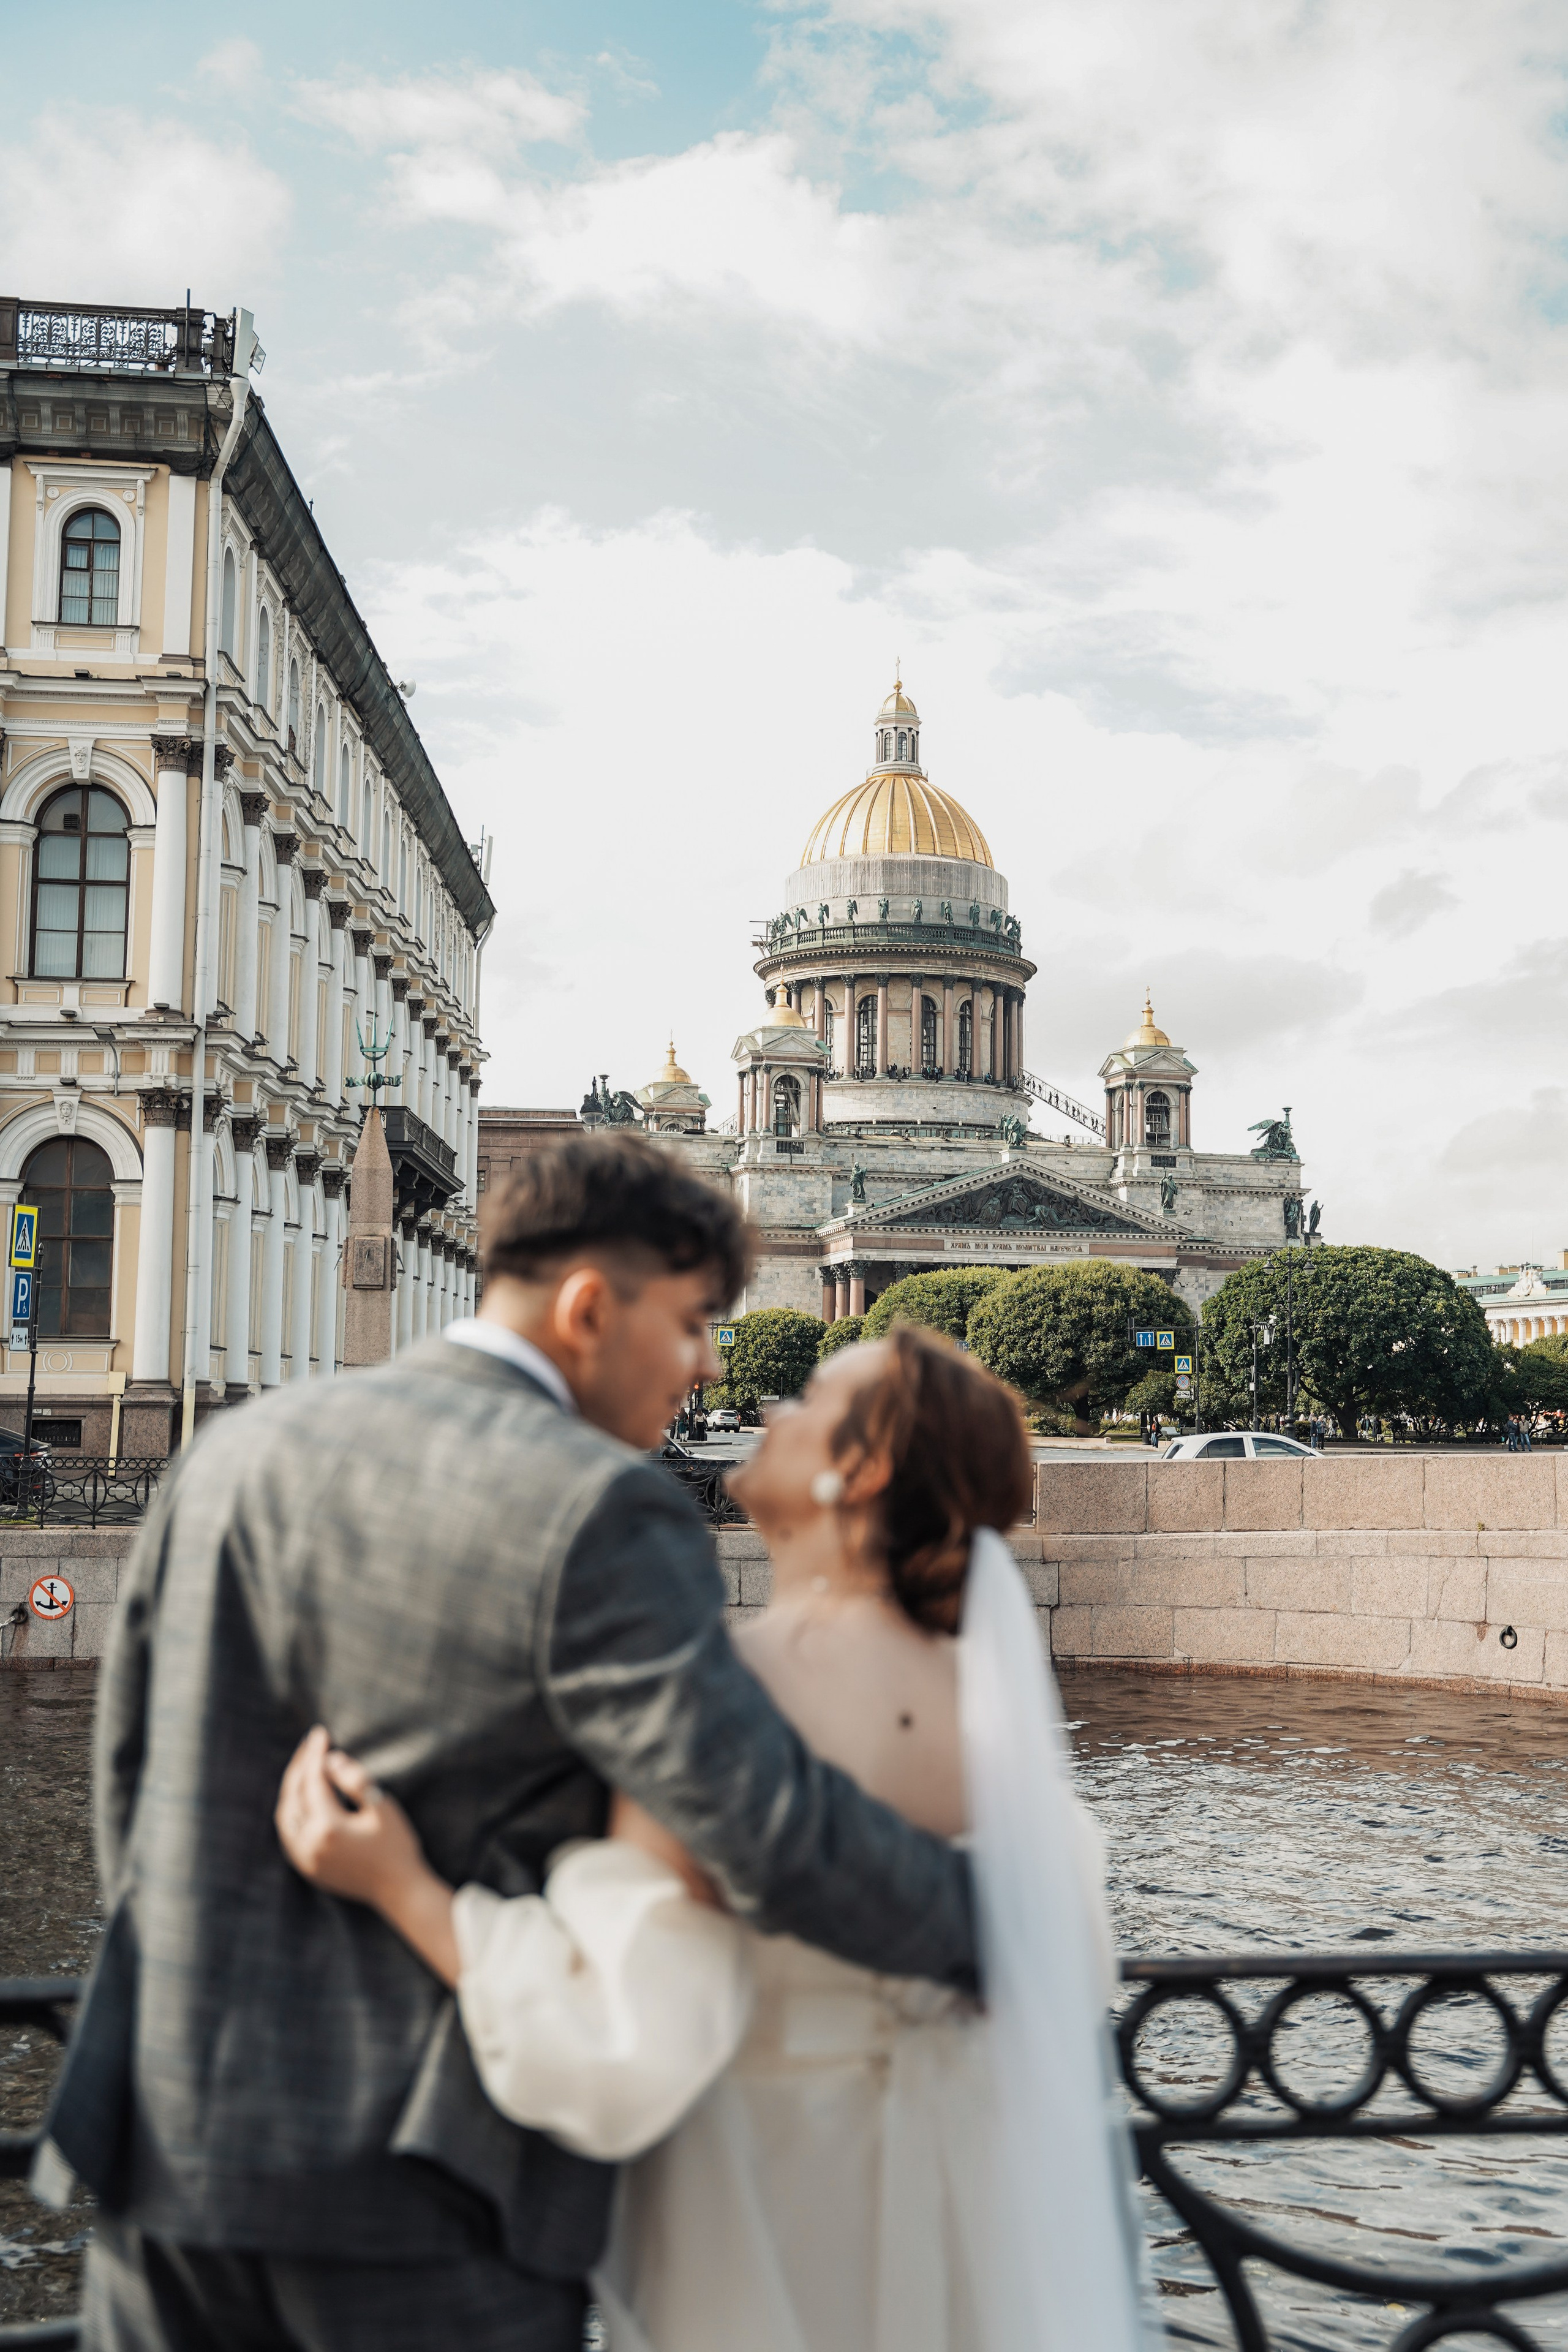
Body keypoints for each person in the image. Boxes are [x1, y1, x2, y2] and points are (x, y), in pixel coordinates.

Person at [43, 1135, 978, 2352]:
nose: (704, 1365)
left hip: (162, 2162)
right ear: (590, 1306)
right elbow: (760, 1820)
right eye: (694, 1321)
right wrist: (990, 1923)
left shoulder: (234, 1451)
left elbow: (135, 1787)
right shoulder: (597, 1502)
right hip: (420, 2202)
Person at [277, 1328, 1151, 2351]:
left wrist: (400, 1888)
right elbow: (1068, 1956)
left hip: (772, 2220)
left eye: (812, 1398)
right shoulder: (993, 1718)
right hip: (982, 2231)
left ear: (857, 1471)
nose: (766, 1404)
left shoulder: (714, 1695)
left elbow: (625, 2044)